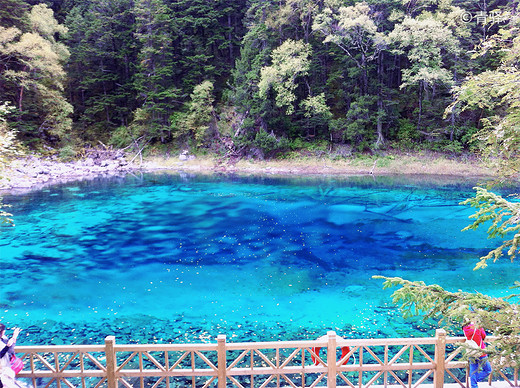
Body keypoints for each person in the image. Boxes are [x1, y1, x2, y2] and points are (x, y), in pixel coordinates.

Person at [463, 321, 492, 388]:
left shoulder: (465, 328)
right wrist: (480, 327)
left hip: (471, 352)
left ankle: (474, 385)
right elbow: (484, 336)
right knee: (488, 370)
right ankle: (475, 380)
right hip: (481, 352)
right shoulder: (477, 327)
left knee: (473, 371)